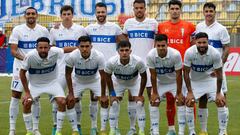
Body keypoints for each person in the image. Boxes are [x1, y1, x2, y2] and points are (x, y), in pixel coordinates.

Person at [20, 37, 79, 135]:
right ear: (36, 48)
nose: (43, 50)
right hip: (35, 85)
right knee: (27, 102)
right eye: (41, 48)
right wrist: (26, 92)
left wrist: (79, 49)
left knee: (62, 101)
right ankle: (29, 131)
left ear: (49, 47)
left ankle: (58, 131)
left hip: (52, 83)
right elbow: (22, 73)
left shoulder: (55, 51)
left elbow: (65, 50)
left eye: (45, 48)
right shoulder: (30, 56)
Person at [8, 7, 49, 135]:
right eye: (28, 14)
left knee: (35, 97)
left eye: (33, 14)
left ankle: (35, 129)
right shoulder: (17, 30)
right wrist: (26, 59)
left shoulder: (43, 30)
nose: (31, 16)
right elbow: (13, 51)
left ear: (37, 15)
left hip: (36, 69)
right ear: (25, 16)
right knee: (15, 96)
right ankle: (12, 129)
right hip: (19, 68)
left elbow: (48, 48)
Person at [85, 2, 124, 135]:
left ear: (106, 12)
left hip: (112, 69)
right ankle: (94, 127)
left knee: (115, 99)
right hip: (95, 70)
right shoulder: (89, 28)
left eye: (103, 12)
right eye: (98, 12)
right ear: (95, 13)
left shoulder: (114, 28)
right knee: (94, 98)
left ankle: (115, 127)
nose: (101, 14)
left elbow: (124, 44)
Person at [157, 0, 196, 134]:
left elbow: (194, 46)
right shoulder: (161, 26)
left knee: (189, 99)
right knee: (170, 99)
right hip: (168, 70)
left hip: (185, 69)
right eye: (172, 8)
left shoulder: (190, 26)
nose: (174, 11)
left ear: (180, 10)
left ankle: (191, 130)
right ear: (169, 10)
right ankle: (171, 129)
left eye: (177, 8)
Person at [49, 5, 87, 135]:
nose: (66, 16)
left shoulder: (80, 29)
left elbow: (84, 47)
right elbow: (51, 49)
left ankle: (78, 126)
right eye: (64, 14)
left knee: (75, 100)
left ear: (72, 15)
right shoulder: (54, 31)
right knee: (57, 100)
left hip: (76, 69)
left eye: (68, 14)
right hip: (59, 69)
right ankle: (55, 127)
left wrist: (66, 50)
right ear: (61, 16)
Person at [123, 0, 158, 134]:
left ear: (145, 8)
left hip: (149, 65)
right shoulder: (128, 23)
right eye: (136, 8)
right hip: (133, 66)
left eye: (141, 8)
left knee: (151, 96)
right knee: (132, 97)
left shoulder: (153, 23)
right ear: (133, 9)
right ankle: (133, 128)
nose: (139, 10)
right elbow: (124, 41)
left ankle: (153, 128)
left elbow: (158, 41)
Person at [183, 32, 228, 135]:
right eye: (199, 42)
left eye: (204, 42)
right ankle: (194, 131)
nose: (202, 45)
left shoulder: (215, 53)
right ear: (195, 42)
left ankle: (222, 131)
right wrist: (189, 92)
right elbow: (185, 73)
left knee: (220, 102)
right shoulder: (189, 52)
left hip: (210, 80)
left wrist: (218, 93)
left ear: (208, 42)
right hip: (195, 81)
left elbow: (219, 75)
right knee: (189, 103)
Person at [196, 2, 230, 135]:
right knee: (203, 99)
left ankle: (223, 130)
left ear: (215, 12)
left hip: (217, 69)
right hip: (202, 70)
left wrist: (219, 67)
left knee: (221, 98)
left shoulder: (221, 29)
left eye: (211, 11)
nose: (209, 13)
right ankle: (203, 130)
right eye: (207, 11)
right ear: (203, 12)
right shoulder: (199, 26)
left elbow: (227, 48)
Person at [65, 36, 106, 135]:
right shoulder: (72, 56)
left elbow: (103, 76)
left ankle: (97, 128)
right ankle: (75, 129)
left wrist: (103, 94)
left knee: (104, 102)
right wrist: (70, 93)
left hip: (94, 80)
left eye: (87, 46)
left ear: (91, 46)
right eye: (82, 46)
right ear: (78, 47)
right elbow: (68, 74)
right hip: (78, 81)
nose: (84, 49)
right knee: (70, 102)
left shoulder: (99, 56)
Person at [105, 40, 147, 135]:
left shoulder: (138, 61)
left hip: (134, 82)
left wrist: (140, 94)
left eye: (126, 50)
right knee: (114, 103)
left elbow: (144, 76)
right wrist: (112, 94)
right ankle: (113, 129)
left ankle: (137, 130)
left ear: (130, 51)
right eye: (122, 50)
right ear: (118, 51)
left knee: (139, 103)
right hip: (118, 82)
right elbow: (107, 76)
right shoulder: (111, 62)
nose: (124, 53)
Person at [146, 34, 185, 135]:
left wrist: (179, 92)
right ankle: (155, 131)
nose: (161, 48)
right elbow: (153, 75)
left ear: (167, 44)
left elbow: (179, 75)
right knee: (154, 102)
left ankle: (180, 131)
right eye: (158, 46)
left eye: (163, 46)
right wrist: (154, 92)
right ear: (155, 45)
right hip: (160, 82)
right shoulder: (151, 55)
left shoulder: (175, 54)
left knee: (180, 101)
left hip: (174, 82)